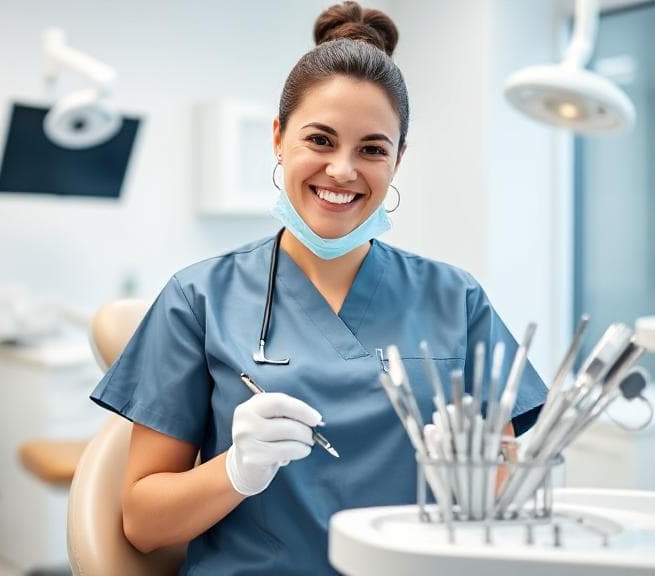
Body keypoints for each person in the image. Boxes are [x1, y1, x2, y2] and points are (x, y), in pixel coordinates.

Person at [90, 2, 547, 574]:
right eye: (320, 140)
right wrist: (234, 471)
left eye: (372, 149)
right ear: (279, 139)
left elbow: (503, 494)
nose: (342, 170)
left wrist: (478, 483)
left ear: (398, 159)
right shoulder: (198, 298)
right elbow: (143, 524)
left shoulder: (458, 300)